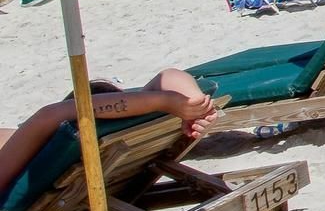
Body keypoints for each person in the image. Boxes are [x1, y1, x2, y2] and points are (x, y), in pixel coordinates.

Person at [0, 72, 218, 201]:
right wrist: (194, 104)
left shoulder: (31, 152)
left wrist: (165, 102)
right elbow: (170, 75)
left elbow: (49, 115)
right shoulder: (44, 147)